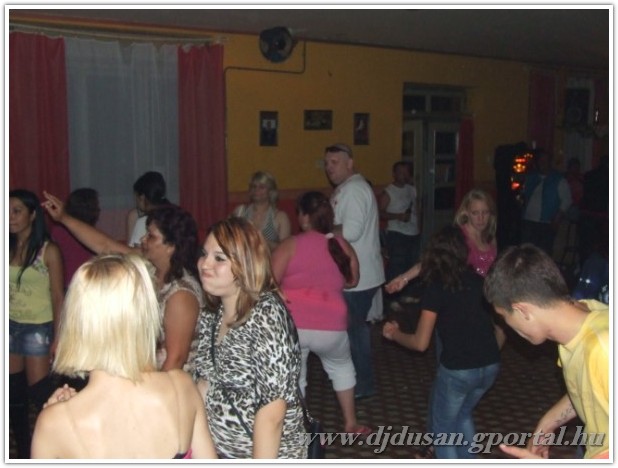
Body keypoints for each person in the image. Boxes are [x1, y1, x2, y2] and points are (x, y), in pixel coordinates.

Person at [30, 254, 218, 459]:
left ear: (77, 322)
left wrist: (58, 418)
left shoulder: (55, 424)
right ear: (146, 316)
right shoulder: (181, 386)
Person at [42, 191, 203, 373]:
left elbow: (175, 360)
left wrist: (151, 390)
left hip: (170, 382)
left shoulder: (181, 294)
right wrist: (64, 218)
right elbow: (105, 246)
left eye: (151, 236)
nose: (143, 239)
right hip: (146, 375)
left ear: (171, 246)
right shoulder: (150, 268)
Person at [382, 226, 501, 459]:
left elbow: (420, 343)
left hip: (459, 370)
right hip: (490, 364)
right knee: (462, 416)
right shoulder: (479, 281)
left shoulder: (437, 287)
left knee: (443, 431)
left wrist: (394, 334)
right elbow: (499, 325)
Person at [193, 217, 306, 458]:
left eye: (219, 258)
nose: (204, 264)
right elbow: (204, 384)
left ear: (245, 264)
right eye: (204, 254)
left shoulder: (266, 315)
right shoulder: (213, 313)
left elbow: (272, 412)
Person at [484, 244, 609, 459]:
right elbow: (591, 388)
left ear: (523, 311)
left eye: (504, 317)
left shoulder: (603, 349)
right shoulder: (582, 317)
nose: (507, 326)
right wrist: (548, 423)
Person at [271, 191, 371, 436]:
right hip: (333, 325)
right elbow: (353, 280)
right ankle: (350, 423)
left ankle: (300, 425)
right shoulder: (340, 245)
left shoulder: (290, 245)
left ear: (305, 217)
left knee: (297, 375)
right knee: (342, 368)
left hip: (295, 324)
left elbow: (269, 282)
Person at [324, 143, 385, 400]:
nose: (329, 168)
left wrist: (322, 229)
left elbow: (351, 231)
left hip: (359, 277)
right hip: (356, 274)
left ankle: (363, 382)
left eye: (335, 162)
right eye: (327, 163)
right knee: (352, 330)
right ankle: (356, 380)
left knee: (355, 332)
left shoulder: (355, 190)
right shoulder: (348, 189)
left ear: (350, 163)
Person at [9, 189, 65, 459]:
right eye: (7, 211)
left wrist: (58, 335)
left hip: (38, 328)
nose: (10, 217)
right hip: (10, 325)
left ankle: (56, 448)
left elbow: (58, 296)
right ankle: (22, 452)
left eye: (16, 211)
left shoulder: (47, 250)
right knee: (12, 394)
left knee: (40, 395)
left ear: (32, 215)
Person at [378, 161, 420, 312]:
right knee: (396, 265)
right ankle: (392, 298)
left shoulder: (412, 189)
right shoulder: (389, 192)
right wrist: (398, 216)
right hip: (397, 233)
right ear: (394, 174)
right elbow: (380, 213)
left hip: (413, 232)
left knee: (410, 264)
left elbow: (417, 209)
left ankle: (405, 294)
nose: (403, 175)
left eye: (406, 171)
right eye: (400, 172)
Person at [520, 149, 572, 256]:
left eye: (545, 161)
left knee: (543, 253)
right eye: (540, 161)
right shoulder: (531, 178)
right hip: (528, 221)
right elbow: (523, 195)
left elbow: (567, 200)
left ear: (550, 162)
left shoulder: (559, 180)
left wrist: (557, 218)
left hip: (546, 223)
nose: (542, 163)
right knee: (527, 253)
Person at [50, 188, 101, 288]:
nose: (99, 209)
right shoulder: (90, 233)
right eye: (96, 206)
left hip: (72, 283)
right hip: (82, 282)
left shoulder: (58, 230)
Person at [232, 171, 291, 250]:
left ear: (270, 191)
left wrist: (261, 241)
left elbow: (286, 249)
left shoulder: (280, 217)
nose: (256, 190)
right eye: (254, 187)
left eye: (261, 187)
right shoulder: (240, 212)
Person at [126, 171, 170, 247]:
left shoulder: (144, 222)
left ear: (142, 197)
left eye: (136, 197)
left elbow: (133, 252)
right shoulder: (174, 216)